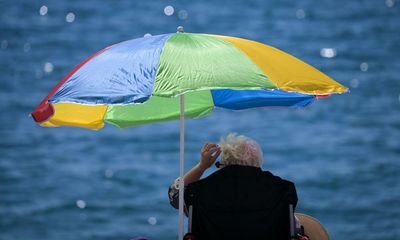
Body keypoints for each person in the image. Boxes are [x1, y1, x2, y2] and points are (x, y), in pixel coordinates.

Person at [168, 133, 298, 240]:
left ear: (223, 163)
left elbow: (174, 196)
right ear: (258, 163)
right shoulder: (283, 190)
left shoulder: (197, 192)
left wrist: (201, 166)